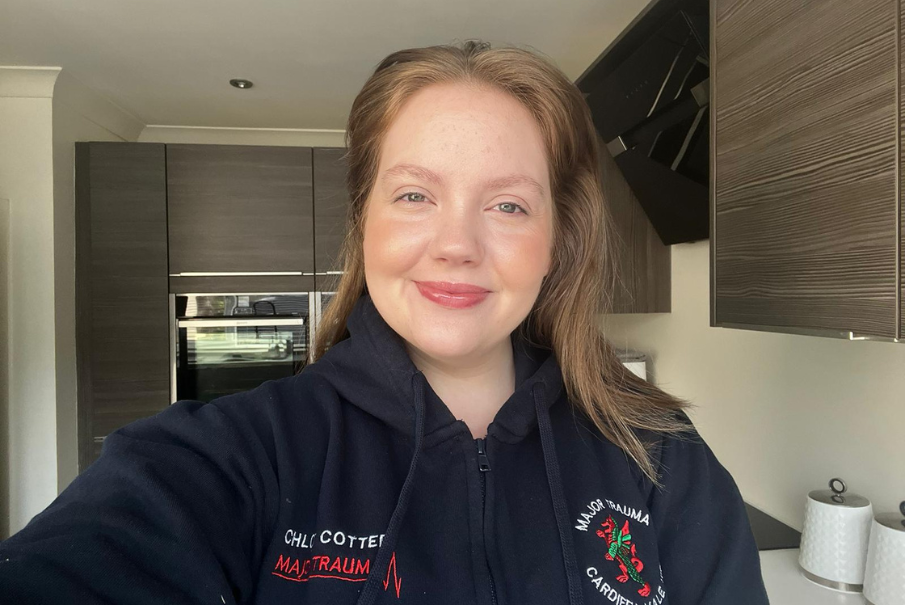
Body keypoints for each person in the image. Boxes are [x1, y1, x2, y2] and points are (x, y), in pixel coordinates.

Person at [0, 40, 768, 604]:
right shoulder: (230, 458)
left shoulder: (660, 461)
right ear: (363, 222)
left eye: (507, 205)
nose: (457, 245)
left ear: (556, 240)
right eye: (413, 195)